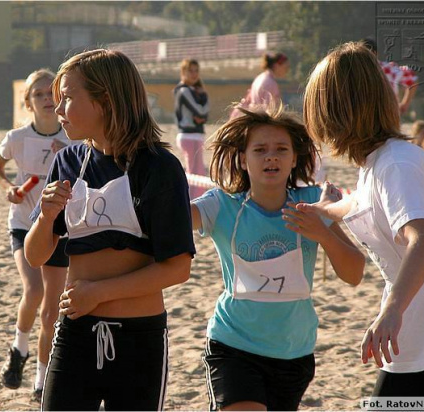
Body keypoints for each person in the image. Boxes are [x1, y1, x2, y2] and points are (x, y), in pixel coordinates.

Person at [26, 49, 194, 411]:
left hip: (140, 340)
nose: (58, 110)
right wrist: (45, 217)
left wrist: (98, 293)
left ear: (105, 100)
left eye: (68, 98)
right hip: (74, 334)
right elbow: (36, 254)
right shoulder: (67, 162)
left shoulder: (159, 167)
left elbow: (178, 267)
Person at [191, 106, 364, 411]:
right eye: (260, 150)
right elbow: (169, 218)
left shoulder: (312, 204)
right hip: (233, 345)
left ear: (294, 158)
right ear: (243, 160)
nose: (271, 156)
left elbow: (354, 273)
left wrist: (321, 231)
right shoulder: (221, 206)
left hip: (294, 353)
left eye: (281, 149)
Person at [302, 41, 424, 402]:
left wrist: (392, 309)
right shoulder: (378, 163)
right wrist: (324, 210)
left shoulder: (396, 164)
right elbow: (358, 204)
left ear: (336, 112)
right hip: (419, 328)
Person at [0, 69, 69, 400]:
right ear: (28, 102)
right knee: (33, 288)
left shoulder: (73, 138)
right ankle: (18, 348)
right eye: (38, 94)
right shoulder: (17, 138)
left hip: (61, 229)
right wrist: (9, 188)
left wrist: (65, 150)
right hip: (24, 223)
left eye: (50, 93)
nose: (46, 99)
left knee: (52, 312)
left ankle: (40, 381)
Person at [174, 58, 210, 199]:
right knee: (195, 174)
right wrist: (203, 96)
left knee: (198, 172)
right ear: (183, 72)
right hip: (188, 136)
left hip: (196, 135)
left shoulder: (195, 91)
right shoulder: (184, 91)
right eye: (191, 70)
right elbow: (201, 111)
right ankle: (192, 204)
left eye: (196, 71)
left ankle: (194, 203)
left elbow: (204, 114)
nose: (194, 74)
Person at [362, 37, 418, 115]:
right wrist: (405, 104)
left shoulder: (387, 69)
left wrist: (404, 104)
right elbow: (412, 80)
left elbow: (412, 80)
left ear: (374, 53)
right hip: (389, 117)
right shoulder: (388, 69)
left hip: (369, 117)